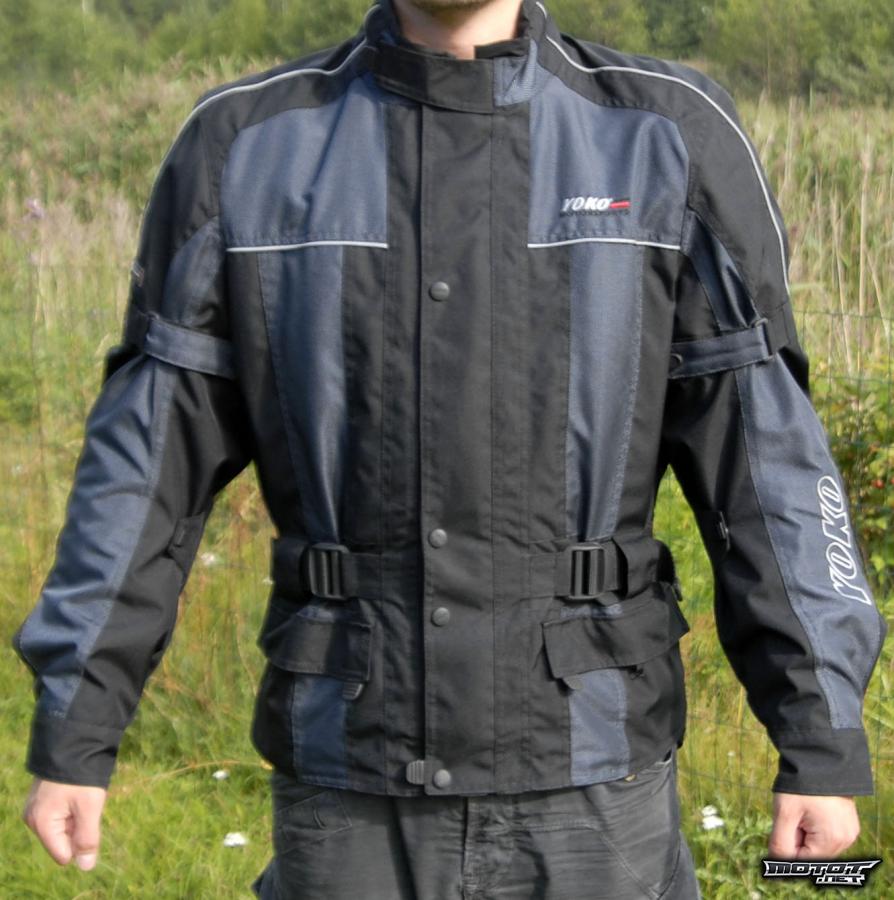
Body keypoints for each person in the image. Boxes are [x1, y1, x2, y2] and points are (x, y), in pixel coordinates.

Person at [14, 0, 886, 897]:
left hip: (596, 780)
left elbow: (766, 468)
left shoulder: (663, 134)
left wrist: (818, 737)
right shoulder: (247, 143)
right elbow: (146, 469)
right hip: (350, 777)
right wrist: (78, 719)